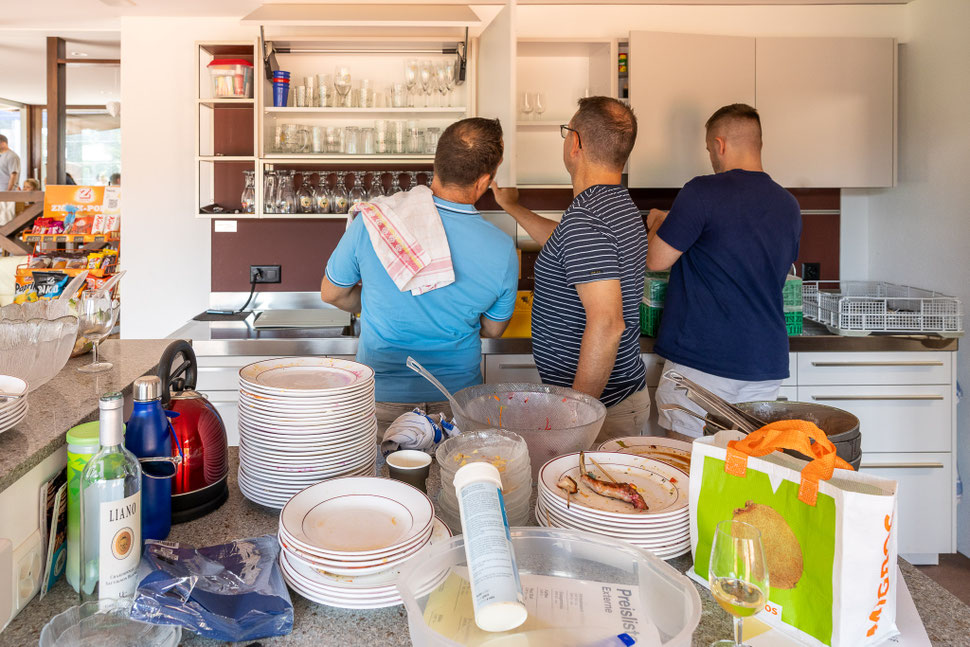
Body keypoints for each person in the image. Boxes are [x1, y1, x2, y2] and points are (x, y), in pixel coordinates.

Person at [321, 117, 519, 433]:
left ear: (436, 164)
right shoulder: (503, 249)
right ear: (484, 181)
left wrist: (375, 300)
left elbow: (331, 293)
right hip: (457, 404)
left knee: (381, 483)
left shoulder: (376, 223)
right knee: (456, 481)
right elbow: (493, 330)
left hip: (380, 399)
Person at [492, 97, 650, 443]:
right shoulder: (616, 205)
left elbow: (608, 325)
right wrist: (511, 206)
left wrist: (573, 413)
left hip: (598, 411)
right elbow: (563, 242)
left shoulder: (586, 218)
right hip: (618, 399)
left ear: (575, 142)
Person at [646, 103, 802, 439]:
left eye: (708, 150)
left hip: (704, 362)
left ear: (720, 144)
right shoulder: (789, 205)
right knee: (742, 471)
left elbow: (656, 260)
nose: (711, 159)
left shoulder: (702, 192)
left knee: (685, 468)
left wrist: (659, 221)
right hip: (765, 364)